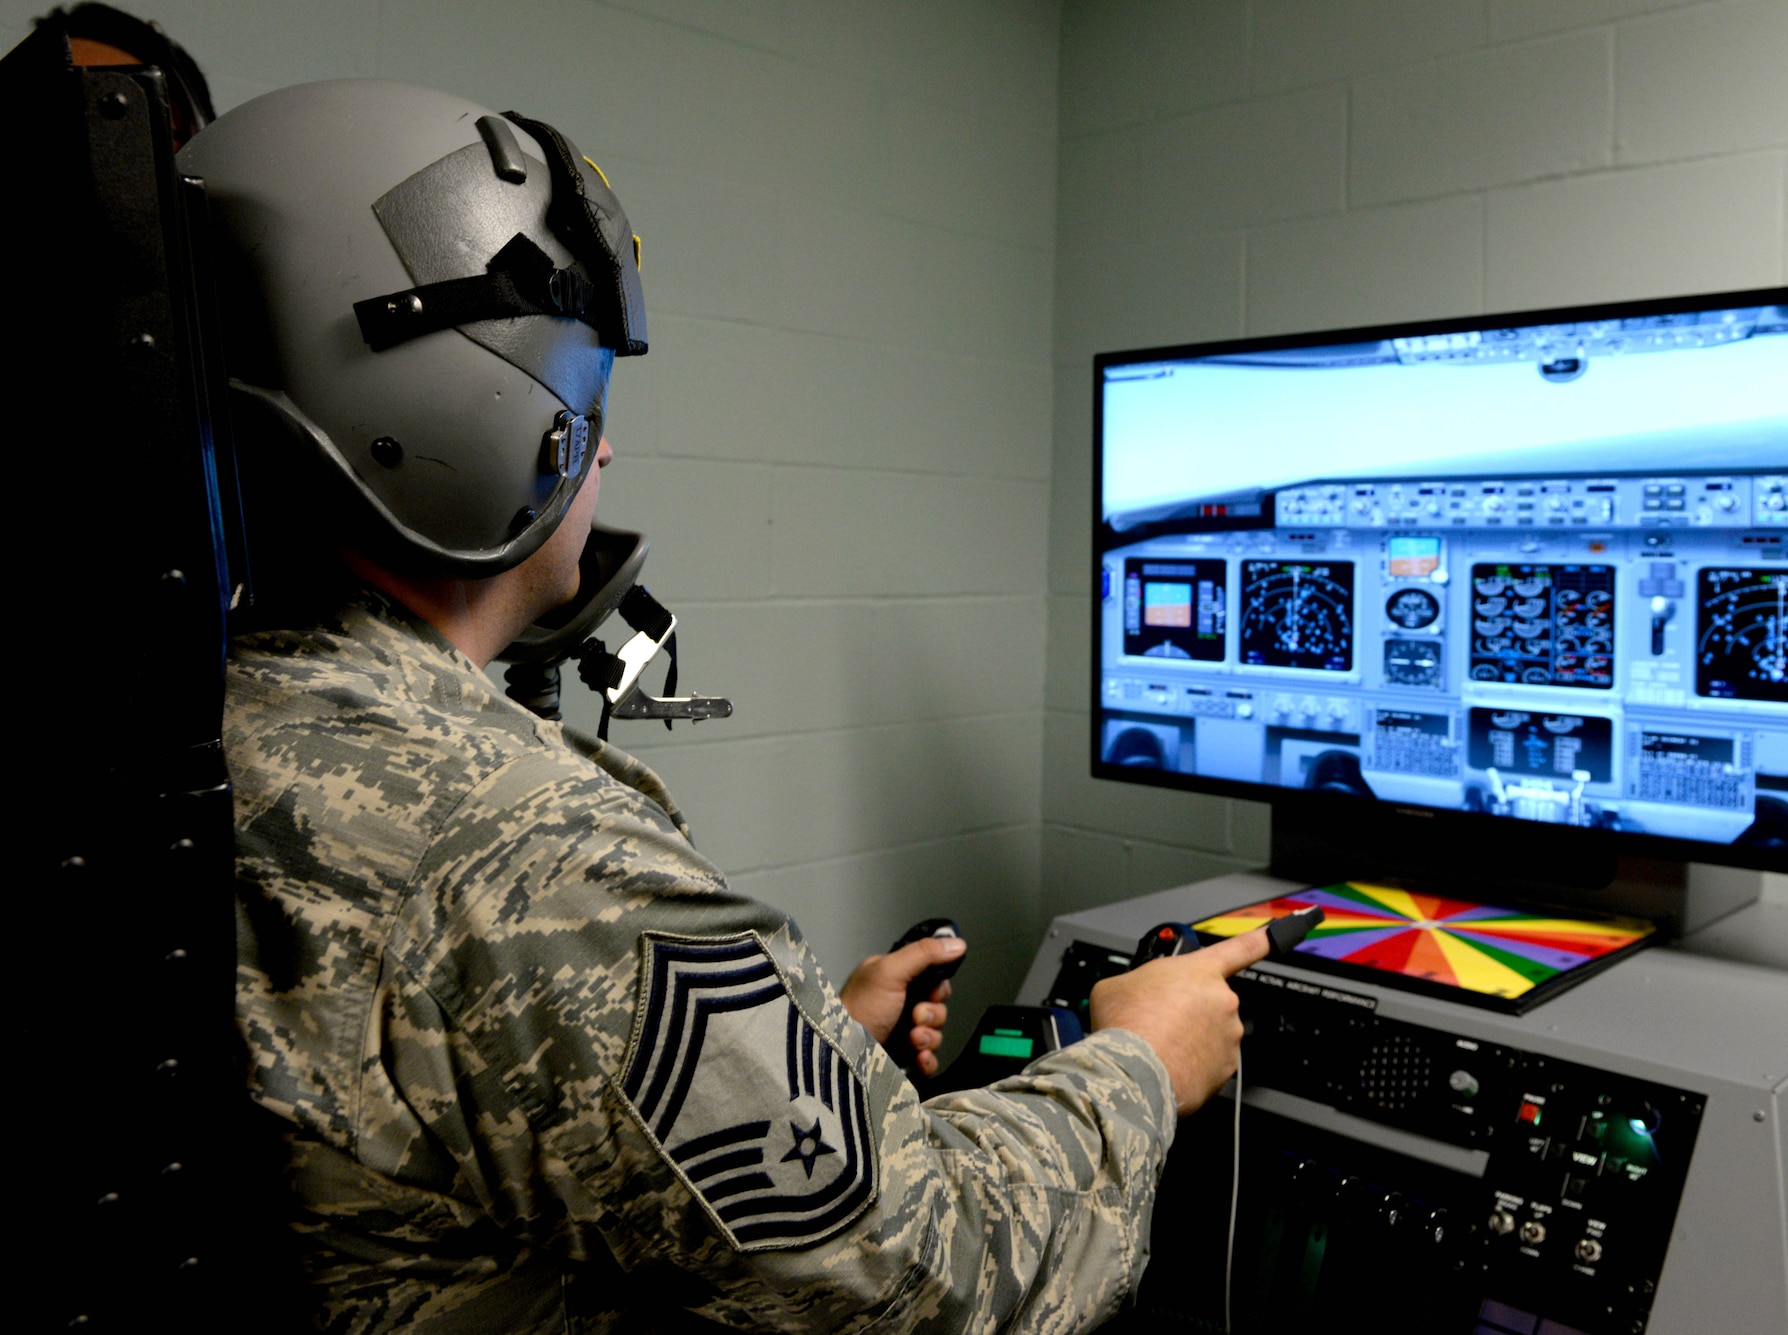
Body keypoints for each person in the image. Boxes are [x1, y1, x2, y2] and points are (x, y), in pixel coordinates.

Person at [188, 79, 1269, 1333]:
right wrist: (1139, 1057)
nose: (602, 452)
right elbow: (936, 1282)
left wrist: (798, 1064)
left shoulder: (232, 711)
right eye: (584, 401)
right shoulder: (523, 849)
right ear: (502, 427)